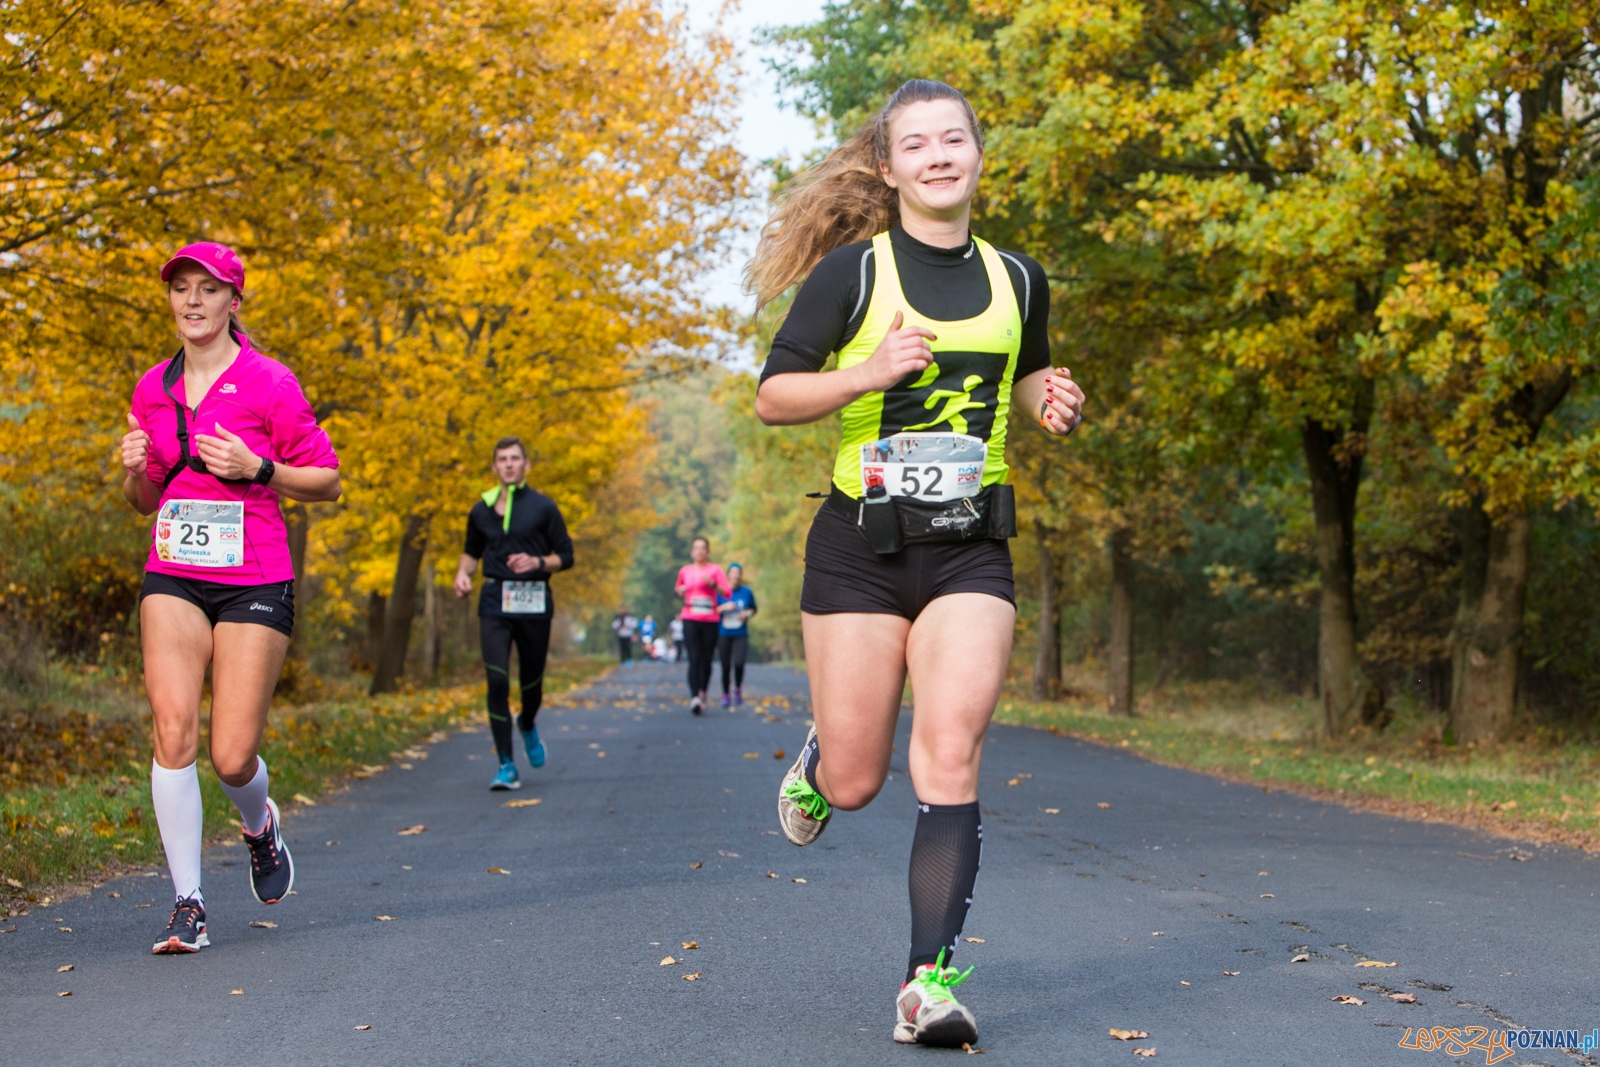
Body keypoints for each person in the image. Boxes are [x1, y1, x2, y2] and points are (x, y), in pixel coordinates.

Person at [746, 80, 1085, 1046]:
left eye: (954, 140)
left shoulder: (1019, 279)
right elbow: (774, 395)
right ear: (889, 169)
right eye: (917, 145)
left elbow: (1027, 370)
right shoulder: (853, 274)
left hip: (970, 548)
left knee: (948, 751)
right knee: (857, 781)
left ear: (979, 154)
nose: (939, 156)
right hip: (861, 550)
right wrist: (869, 371)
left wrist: (1051, 400)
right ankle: (821, 758)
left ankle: (924, 985)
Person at [119, 242, 342, 954]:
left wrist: (259, 467)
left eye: (208, 289)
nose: (192, 301)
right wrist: (133, 471)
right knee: (172, 731)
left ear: (232, 301)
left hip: (255, 577)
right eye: (181, 288)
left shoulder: (270, 382)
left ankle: (259, 823)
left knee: (232, 756)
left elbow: (327, 480)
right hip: (174, 573)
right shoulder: (153, 387)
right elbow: (145, 497)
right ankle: (188, 904)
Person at [454, 436, 573, 791]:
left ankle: (527, 722)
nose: (508, 464)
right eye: (502, 459)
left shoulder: (544, 508)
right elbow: (470, 553)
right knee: (497, 680)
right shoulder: (480, 510)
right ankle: (506, 763)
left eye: (515, 458)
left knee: (531, 682)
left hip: (534, 601)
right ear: (495, 467)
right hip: (494, 600)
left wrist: (537, 562)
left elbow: (566, 556)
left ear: (526, 465)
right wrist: (462, 574)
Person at [674, 537, 730, 714]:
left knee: (706, 658)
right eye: (696, 548)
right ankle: (695, 697)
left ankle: (703, 691)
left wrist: (713, 584)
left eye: (703, 548)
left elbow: (727, 592)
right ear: (692, 552)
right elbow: (678, 590)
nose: (700, 551)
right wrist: (680, 591)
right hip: (690, 616)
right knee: (694, 658)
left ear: (708, 551)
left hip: (710, 618)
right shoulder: (685, 571)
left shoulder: (715, 570)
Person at [716, 563, 757, 707]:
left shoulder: (746, 592)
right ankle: (725, 694)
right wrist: (724, 607)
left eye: (738, 573)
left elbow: (753, 609)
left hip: (741, 634)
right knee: (725, 666)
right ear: (728, 575)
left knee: (739, 663)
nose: (735, 575)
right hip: (723, 634)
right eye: (733, 572)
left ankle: (737, 688)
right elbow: (713, 610)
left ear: (741, 575)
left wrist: (747, 613)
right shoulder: (720, 592)